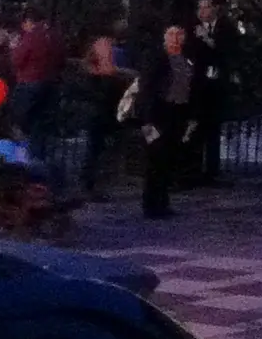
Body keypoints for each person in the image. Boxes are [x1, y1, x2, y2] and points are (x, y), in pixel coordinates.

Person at [135, 23, 194, 220]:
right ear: (164, 37)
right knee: (155, 157)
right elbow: (146, 88)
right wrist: (146, 120)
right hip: (157, 113)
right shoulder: (157, 58)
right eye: (171, 34)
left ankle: (163, 201)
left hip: (176, 112)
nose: (175, 38)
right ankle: (151, 204)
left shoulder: (185, 59)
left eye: (179, 34)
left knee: (168, 157)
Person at [186, 0, 239, 184]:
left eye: (206, 7)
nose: (202, 12)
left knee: (213, 126)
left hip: (217, 82)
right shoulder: (193, 28)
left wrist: (208, 39)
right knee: (195, 123)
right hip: (198, 81)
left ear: (216, 8)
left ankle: (212, 170)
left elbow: (228, 53)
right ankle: (192, 168)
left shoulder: (226, 28)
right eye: (199, 8)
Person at [6, 9, 66, 154]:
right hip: (52, 84)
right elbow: (62, 60)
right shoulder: (55, 35)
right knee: (42, 122)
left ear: (28, 21)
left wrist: (13, 48)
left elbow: (17, 59)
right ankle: (40, 154)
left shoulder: (31, 35)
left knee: (19, 121)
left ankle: (22, 154)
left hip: (29, 82)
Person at [79, 31, 129, 194]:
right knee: (95, 149)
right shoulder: (96, 76)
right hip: (99, 114)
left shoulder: (106, 75)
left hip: (105, 113)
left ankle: (94, 183)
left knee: (99, 149)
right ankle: (90, 184)